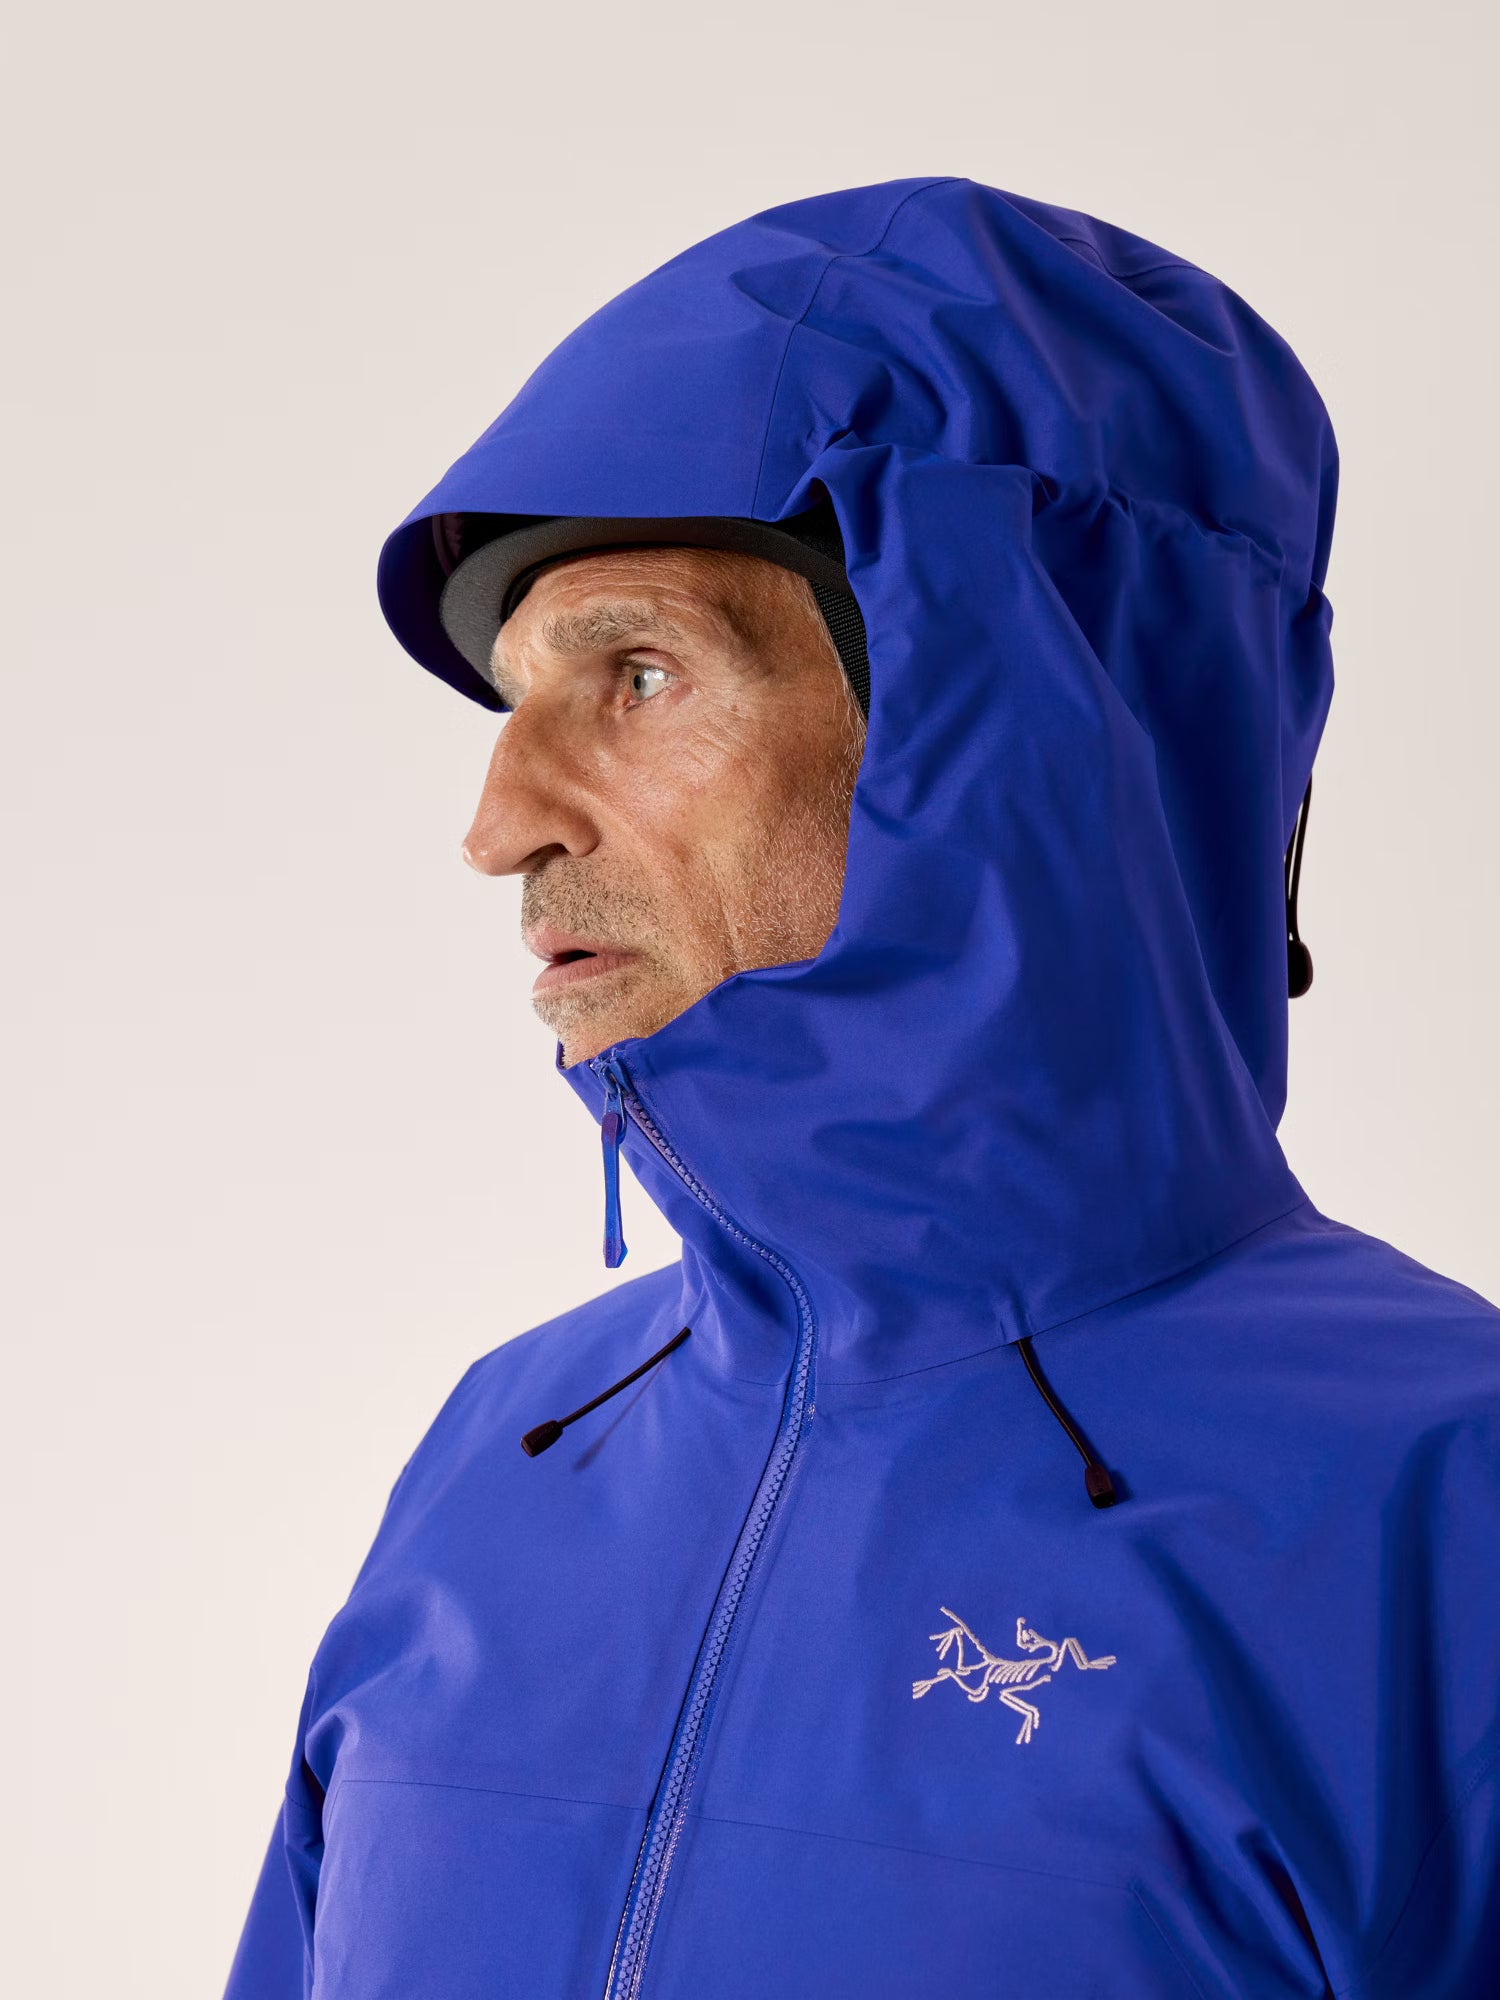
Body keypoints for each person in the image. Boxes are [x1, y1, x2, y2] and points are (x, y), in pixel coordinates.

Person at [224, 177, 1500, 1997]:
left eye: (639, 674)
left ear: (1025, 716)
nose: (501, 824)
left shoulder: (1445, 1500)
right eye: (515, 702)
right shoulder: (506, 1452)